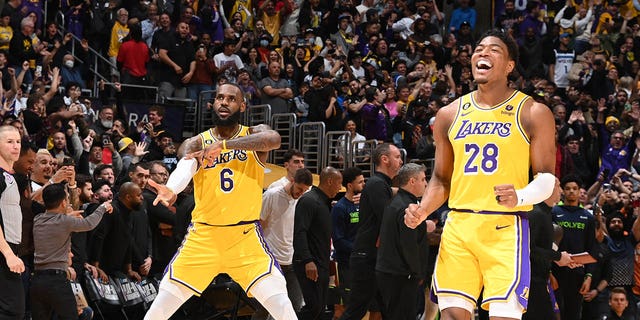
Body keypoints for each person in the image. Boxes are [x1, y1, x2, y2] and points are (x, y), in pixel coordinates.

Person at [405, 29, 556, 320]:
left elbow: (547, 180)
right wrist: (422, 210)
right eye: (478, 49)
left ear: (510, 66)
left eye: (494, 50)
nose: (482, 53)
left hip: (504, 225)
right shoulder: (449, 114)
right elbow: (440, 179)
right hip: (459, 223)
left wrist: (520, 196)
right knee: (450, 315)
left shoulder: (532, 112)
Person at [143, 83, 297, 320]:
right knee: (158, 311)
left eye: (231, 99)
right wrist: (172, 188)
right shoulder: (197, 142)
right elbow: (186, 159)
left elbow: (273, 139)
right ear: (212, 103)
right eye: (219, 98)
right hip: (203, 238)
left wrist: (224, 145)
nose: (224, 102)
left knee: (282, 307)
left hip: (244, 239)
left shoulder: (254, 133)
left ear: (242, 105)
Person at [339, 143, 403, 320]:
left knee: (387, 308)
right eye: (397, 157)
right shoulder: (376, 184)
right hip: (366, 257)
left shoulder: (380, 185)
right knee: (357, 309)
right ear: (384, 159)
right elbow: (388, 219)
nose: (401, 161)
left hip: (375, 257)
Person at [30, 183, 112, 320]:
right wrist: (102, 208)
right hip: (56, 280)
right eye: (67, 199)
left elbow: (54, 219)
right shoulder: (65, 221)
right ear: (63, 202)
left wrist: (69, 214)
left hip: (37, 281)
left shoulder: (37, 219)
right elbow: (89, 224)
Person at [255, 168, 313, 319]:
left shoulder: (303, 199)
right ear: (292, 181)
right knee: (264, 307)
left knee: (294, 306)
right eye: (300, 188)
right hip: (271, 261)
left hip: (292, 260)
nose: (301, 193)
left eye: (304, 190)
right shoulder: (272, 195)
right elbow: (257, 225)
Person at [375, 163, 430, 320]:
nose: (426, 183)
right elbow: (408, 245)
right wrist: (417, 272)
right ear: (412, 181)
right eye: (423, 179)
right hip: (401, 275)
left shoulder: (396, 201)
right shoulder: (408, 208)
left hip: (390, 272)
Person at [293, 166, 343, 320]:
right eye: (338, 183)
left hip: (321, 263)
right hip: (310, 264)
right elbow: (299, 232)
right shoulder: (309, 200)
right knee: (313, 308)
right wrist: (308, 261)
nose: (340, 187)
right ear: (329, 181)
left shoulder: (324, 202)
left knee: (320, 308)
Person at [0, 125, 25, 319]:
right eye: (9, 142)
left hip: (12, 253)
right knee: (13, 311)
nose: (15, 146)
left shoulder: (12, 177)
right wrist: (8, 254)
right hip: (4, 254)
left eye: (18, 141)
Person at [331, 166, 365, 306]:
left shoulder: (365, 205)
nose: (364, 184)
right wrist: (359, 249)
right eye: (360, 182)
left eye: (364, 181)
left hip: (364, 261)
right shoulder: (340, 208)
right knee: (349, 303)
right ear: (350, 186)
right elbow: (338, 240)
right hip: (347, 263)